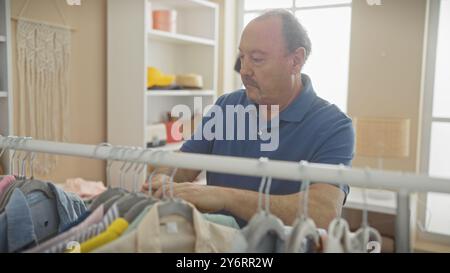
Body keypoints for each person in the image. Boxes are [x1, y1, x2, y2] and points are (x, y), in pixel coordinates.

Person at [142, 9, 355, 229]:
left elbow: (323, 212)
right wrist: (163, 177)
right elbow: (185, 164)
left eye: (257, 59)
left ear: (296, 60)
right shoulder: (226, 107)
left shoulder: (334, 126)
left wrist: (224, 197)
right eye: (242, 57)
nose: (244, 70)